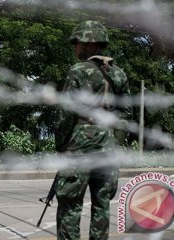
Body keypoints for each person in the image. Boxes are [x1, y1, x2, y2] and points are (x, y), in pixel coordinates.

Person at [54, 20, 131, 240]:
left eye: (76, 42)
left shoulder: (77, 71)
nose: (75, 47)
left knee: (70, 204)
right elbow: (125, 116)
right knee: (102, 204)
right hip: (108, 148)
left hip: (79, 145)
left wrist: (61, 146)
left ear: (88, 43)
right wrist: (112, 142)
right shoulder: (120, 75)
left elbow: (66, 114)